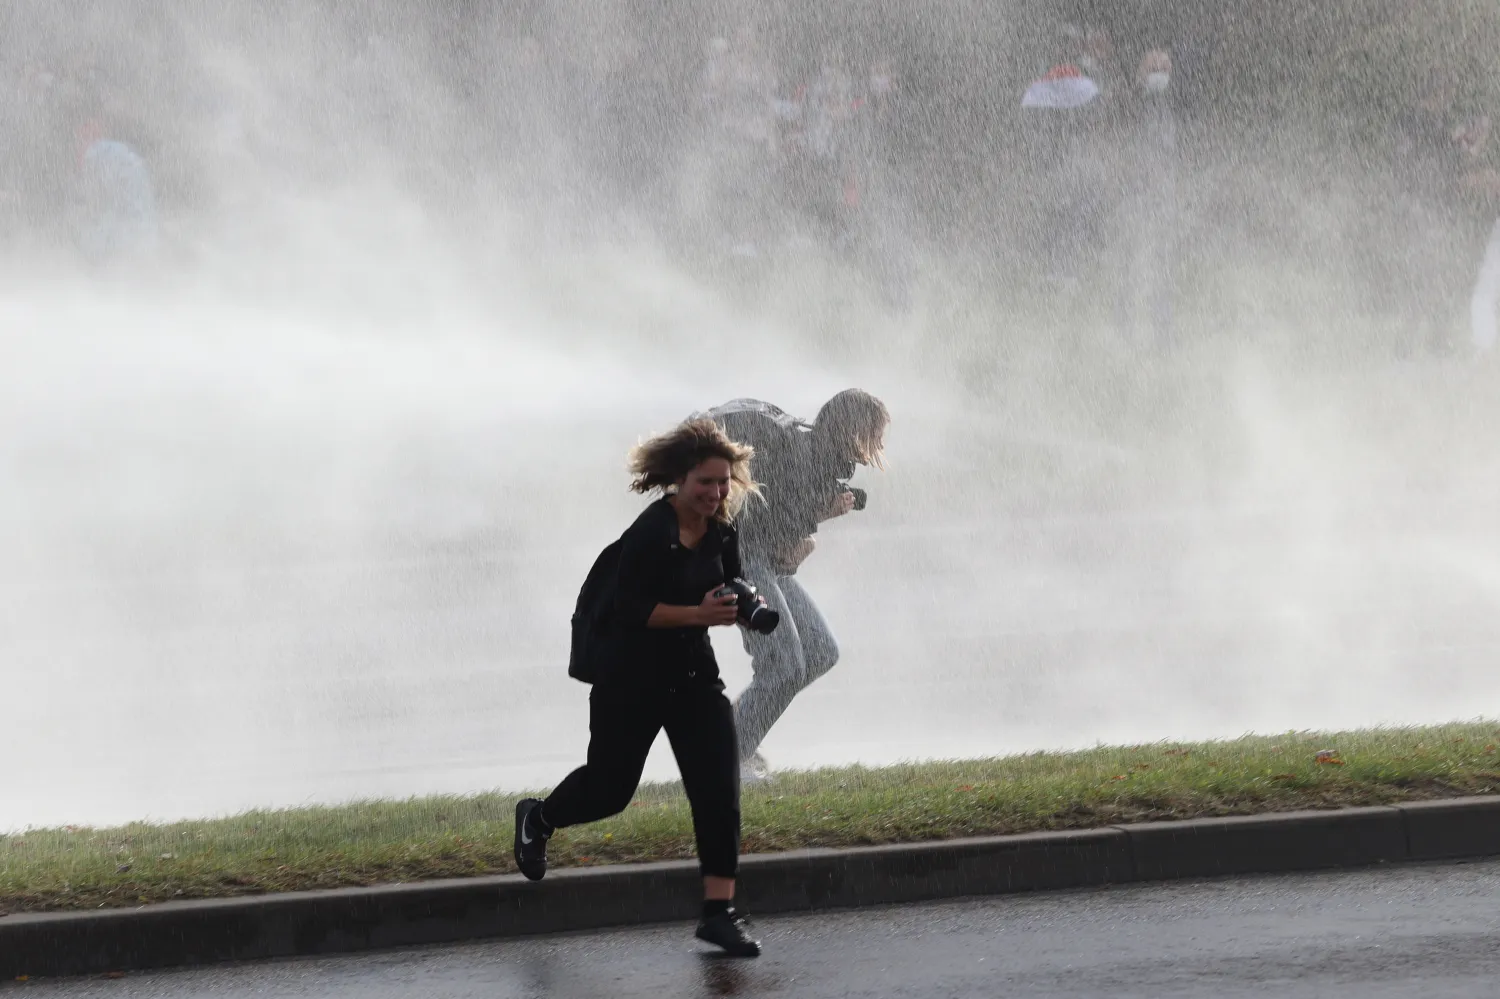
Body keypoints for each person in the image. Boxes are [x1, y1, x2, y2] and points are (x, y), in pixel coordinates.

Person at [512, 418, 763, 958]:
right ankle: (540, 817)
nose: (716, 493)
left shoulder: (721, 529)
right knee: (610, 789)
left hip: (693, 674)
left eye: (723, 483)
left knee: (720, 789)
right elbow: (628, 610)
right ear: (679, 478)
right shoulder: (651, 532)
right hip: (630, 676)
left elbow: (728, 580)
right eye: (706, 482)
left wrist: (743, 606)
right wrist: (699, 612)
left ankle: (719, 914)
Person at [702, 390, 890, 781]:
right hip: (735, 560)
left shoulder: (816, 457)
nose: (881, 444)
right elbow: (777, 534)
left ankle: (734, 745)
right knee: (783, 665)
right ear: (855, 431)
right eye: (877, 433)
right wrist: (816, 522)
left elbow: (785, 536)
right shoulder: (801, 456)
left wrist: (815, 521)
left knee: (820, 651)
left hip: (758, 560)